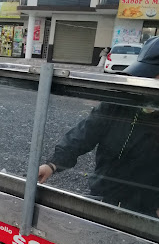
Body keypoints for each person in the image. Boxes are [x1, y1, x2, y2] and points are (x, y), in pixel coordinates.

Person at [38, 36, 159, 218]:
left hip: (148, 208)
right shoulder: (119, 104)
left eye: (152, 76)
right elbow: (85, 134)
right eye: (144, 74)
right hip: (104, 196)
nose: (145, 80)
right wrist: (52, 164)